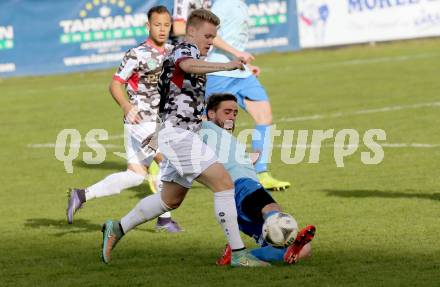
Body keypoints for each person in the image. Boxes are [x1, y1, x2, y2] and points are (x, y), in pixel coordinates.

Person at [100, 9, 268, 267]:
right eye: (207, 36)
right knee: (224, 183)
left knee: (170, 200)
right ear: (191, 31)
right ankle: (238, 254)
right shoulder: (184, 49)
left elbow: (173, 98)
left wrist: (160, 133)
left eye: (213, 37)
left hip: (179, 134)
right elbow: (186, 66)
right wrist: (226, 64)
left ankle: (117, 227)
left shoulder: (190, 53)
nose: (211, 41)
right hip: (179, 137)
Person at [66, 6, 181, 232]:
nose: (162, 29)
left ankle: (82, 195)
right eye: (157, 24)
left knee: (135, 175)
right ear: (148, 26)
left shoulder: (173, 51)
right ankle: (164, 219)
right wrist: (126, 105)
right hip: (140, 120)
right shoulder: (136, 54)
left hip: (158, 121)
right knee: (167, 163)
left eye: (166, 25)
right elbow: (115, 84)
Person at [201, 93, 315, 265]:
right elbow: (180, 118)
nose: (232, 116)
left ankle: (240, 256)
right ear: (210, 114)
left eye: (235, 112)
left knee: (304, 250)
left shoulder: (225, 138)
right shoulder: (204, 127)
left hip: (236, 199)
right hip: (242, 186)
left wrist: (247, 159)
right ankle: (285, 228)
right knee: (271, 207)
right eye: (227, 112)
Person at [205, 0, 291, 191]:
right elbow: (211, 36)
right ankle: (163, 162)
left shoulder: (240, 4)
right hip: (220, 73)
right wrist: (237, 54)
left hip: (241, 73)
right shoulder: (222, 5)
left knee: (265, 116)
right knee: (205, 126)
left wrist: (245, 65)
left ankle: (261, 173)